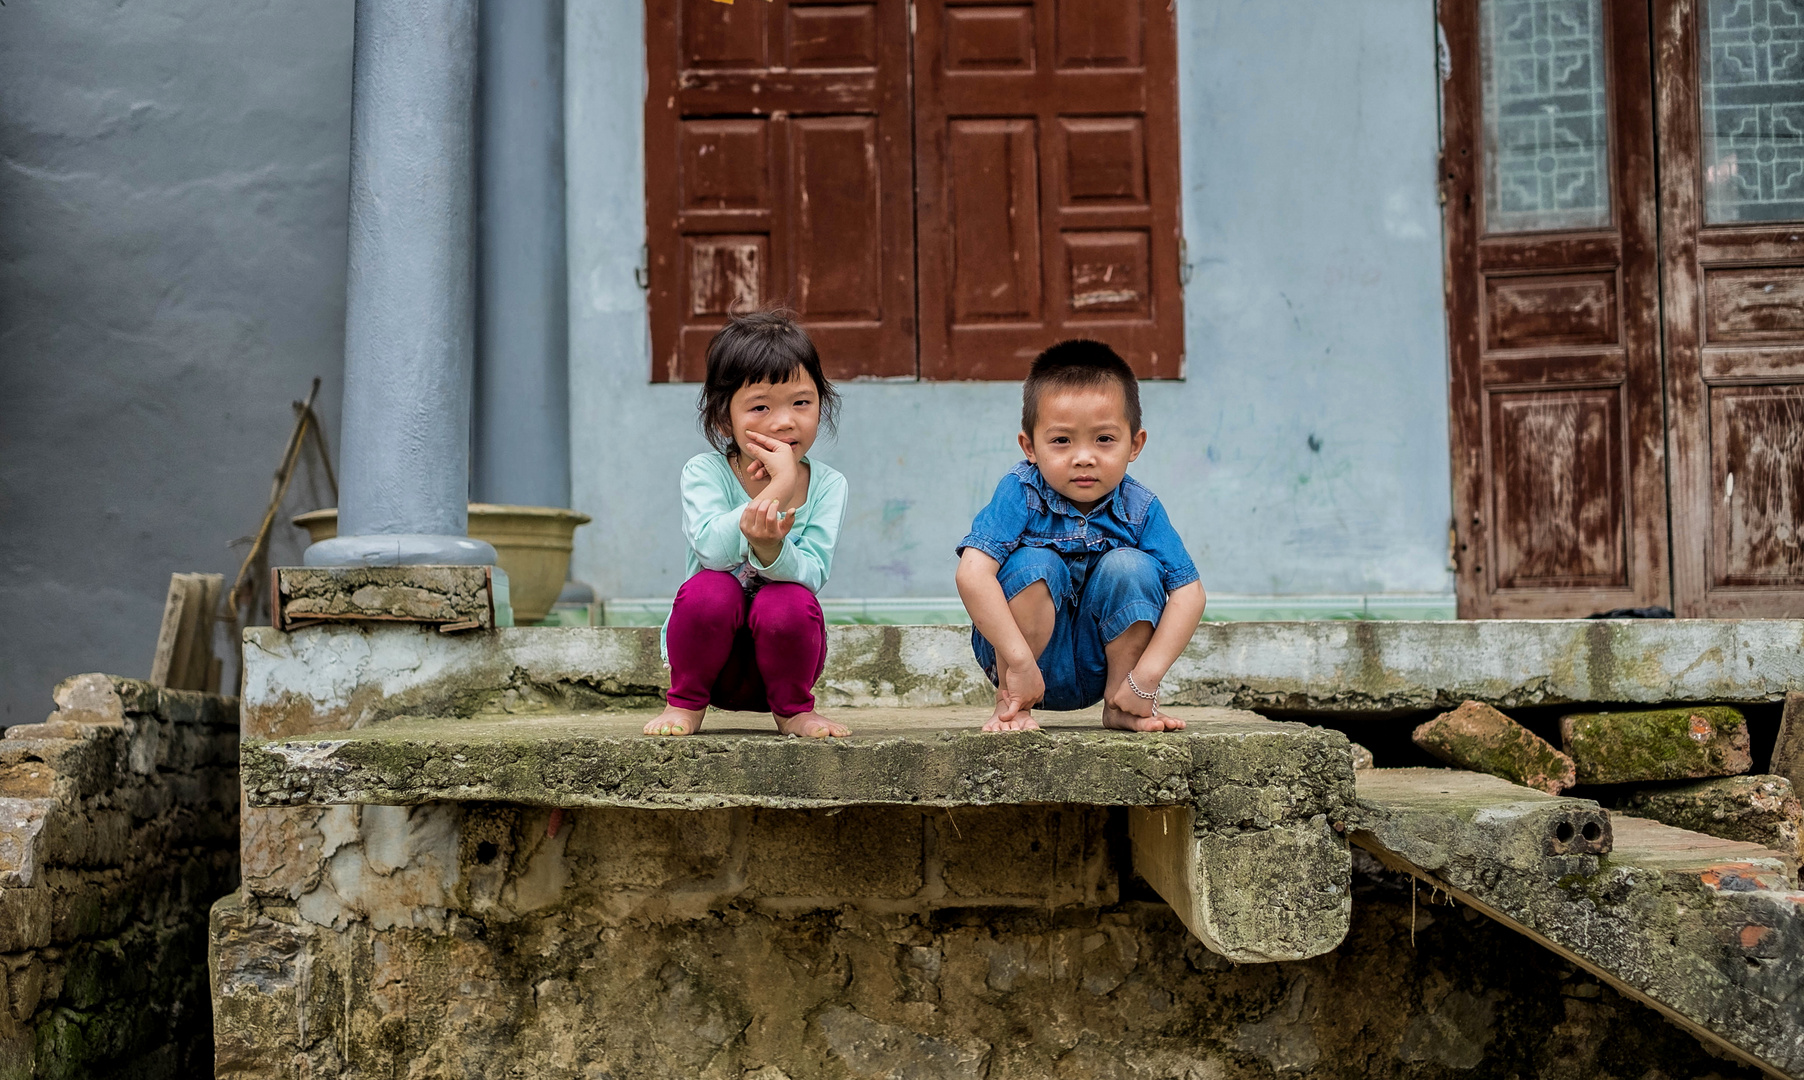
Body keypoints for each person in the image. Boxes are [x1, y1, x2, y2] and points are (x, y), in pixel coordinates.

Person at [955, 340, 1206, 733]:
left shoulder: (1140, 508)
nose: (1084, 457)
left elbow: (1190, 594)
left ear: (1135, 445)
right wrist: (1019, 662)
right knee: (1034, 563)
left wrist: (1146, 680)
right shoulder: (1020, 493)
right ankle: (1011, 706)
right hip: (1021, 664)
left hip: (1101, 668)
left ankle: (1124, 706)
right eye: (1061, 441)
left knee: (1133, 567)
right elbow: (971, 573)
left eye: (1104, 439)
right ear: (1029, 447)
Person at [643, 310, 850, 738]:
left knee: (788, 599)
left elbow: (813, 573)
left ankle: (794, 711)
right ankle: (684, 704)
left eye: (801, 402)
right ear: (724, 419)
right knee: (708, 590)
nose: (784, 421)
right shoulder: (704, 472)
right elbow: (712, 550)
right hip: (710, 663)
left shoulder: (829, 485)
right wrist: (779, 487)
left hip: (782, 665)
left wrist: (773, 549)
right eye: (760, 407)